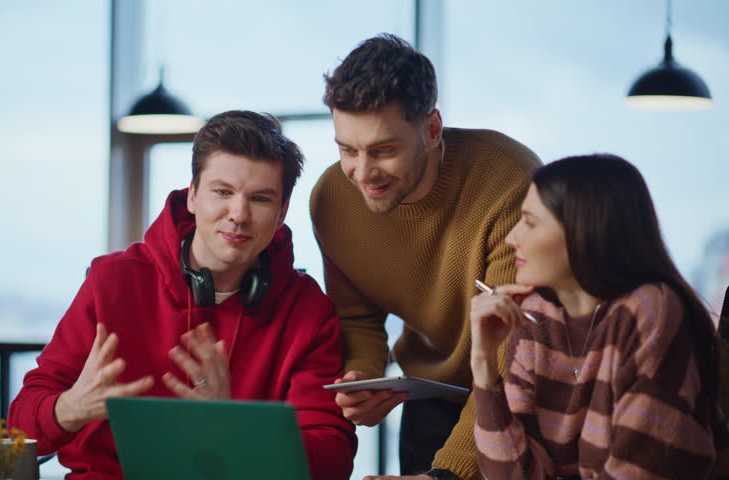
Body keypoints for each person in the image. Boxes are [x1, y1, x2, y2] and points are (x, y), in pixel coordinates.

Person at [8, 110, 357, 480]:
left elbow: (332, 460)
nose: (238, 214)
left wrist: (233, 427)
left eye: (260, 199)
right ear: (192, 195)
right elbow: (19, 427)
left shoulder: (308, 310)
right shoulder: (111, 281)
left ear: (282, 211)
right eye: (222, 192)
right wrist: (70, 408)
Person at [310, 34, 541, 480]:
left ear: (432, 129)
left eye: (383, 150)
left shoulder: (511, 185)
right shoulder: (332, 200)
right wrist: (364, 377)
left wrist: (446, 476)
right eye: (347, 149)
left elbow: (515, 353)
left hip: (515, 394)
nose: (362, 172)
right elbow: (357, 317)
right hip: (428, 397)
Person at [470, 154, 726, 479]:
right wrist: (483, 364)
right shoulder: (536, 312)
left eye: (530, 223)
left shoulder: (649, 309)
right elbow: (512, 475)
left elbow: (644, 472)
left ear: (583, 231)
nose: (512, 238)